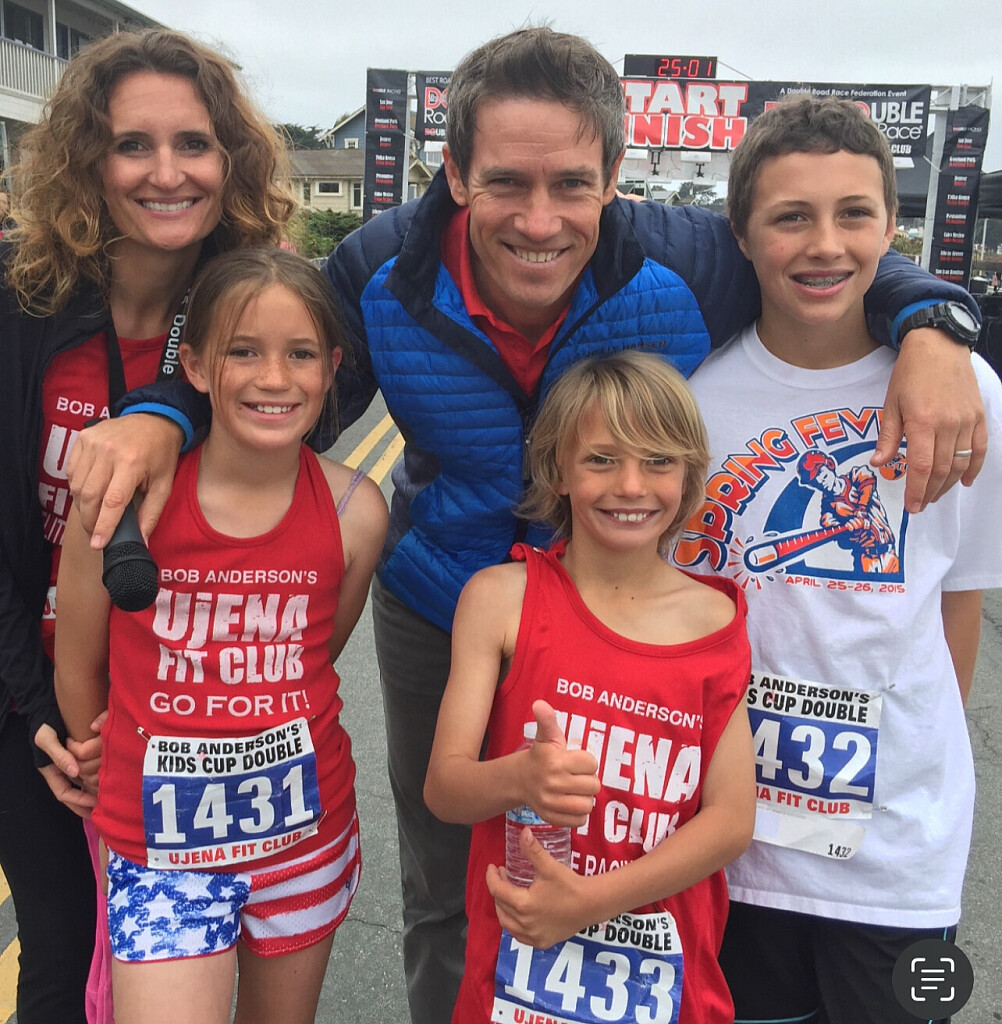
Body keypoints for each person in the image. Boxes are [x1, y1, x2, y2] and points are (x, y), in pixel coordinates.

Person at [63, 27, 988, 1024]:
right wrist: (164, 415)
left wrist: (936, 323)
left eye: (572, 185)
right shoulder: (381, 267)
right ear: (454, 171)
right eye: (506, 181)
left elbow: (821, 258)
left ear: (615, 178)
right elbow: (267, 360)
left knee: (613, 878)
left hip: (615, 616)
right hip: (440, 603)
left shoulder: (686, 261)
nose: (539, 220)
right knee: (445, 887)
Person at [671, 95, 1002, 1024]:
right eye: (790, 216)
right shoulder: (692, 398)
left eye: (855, 213)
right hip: (729, 849)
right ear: (741, 234)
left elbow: (958, 601)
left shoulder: (964, 396)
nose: (825, 244)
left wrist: (916, 765)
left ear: (893, 229)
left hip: (894, 863)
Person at [0, 28, 295, 1024]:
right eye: (133, 145)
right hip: (27, 688)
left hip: (179, 705)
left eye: (194, 144)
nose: (167, 174)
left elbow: (316, 412)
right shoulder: (18, 298)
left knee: (163, 973)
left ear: (230, 160)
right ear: (89, 160)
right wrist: (41, 714)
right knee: (60, 956)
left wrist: (170, 407)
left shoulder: (249, 307)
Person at [54, 246, 388, 1024]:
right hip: (159, 847)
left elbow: (315, 656)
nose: (274, 378)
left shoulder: (355, 512)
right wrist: (100, 751)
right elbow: (79, 664)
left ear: (332, 368)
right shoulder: (123, 503)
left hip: (301, 838)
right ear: (197, 366)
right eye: (243, 351)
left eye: (300, 354)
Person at [424, 350, 755, 1024]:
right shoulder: (501, 599)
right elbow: (445, 788)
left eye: (658, 461)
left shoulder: (715, 620)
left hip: (663, 984)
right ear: (558, 469)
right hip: (517, 984)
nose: (631, 485)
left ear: (689, 474)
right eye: (602, 459)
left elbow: (730, 820)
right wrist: (519, 777)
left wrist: (591, 902)